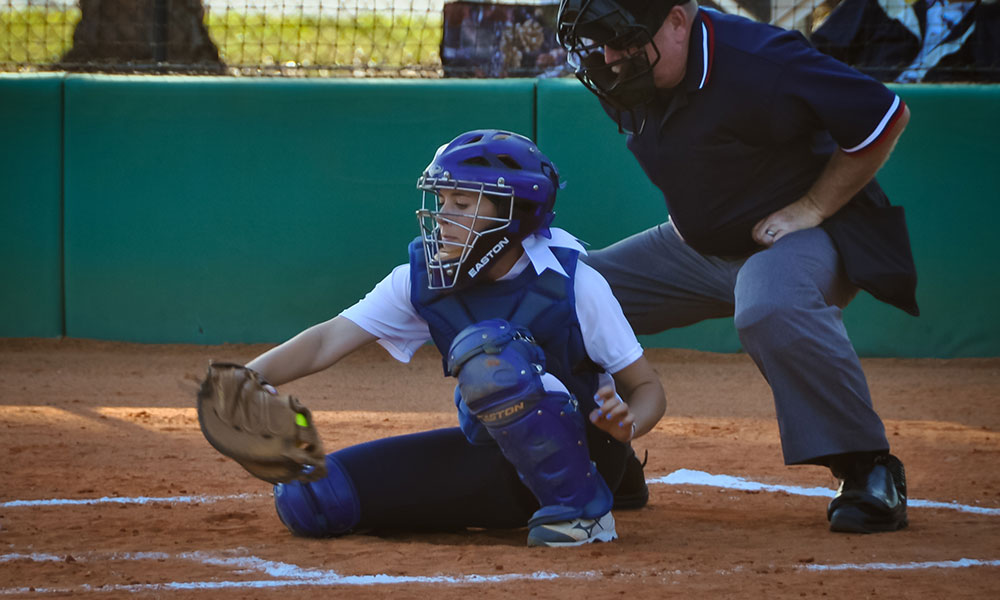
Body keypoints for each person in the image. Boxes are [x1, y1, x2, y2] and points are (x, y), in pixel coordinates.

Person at [555, 0, 917, 534]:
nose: (611, 56)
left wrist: (812, 208)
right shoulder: (627, 72)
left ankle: (867, 467)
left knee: (769, 304)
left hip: (806, 239)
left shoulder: (761, 59)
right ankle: (608, 459)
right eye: (601, 41)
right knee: (564, 296)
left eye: (624, 38)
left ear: (678, 20)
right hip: (696, 247)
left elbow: (884, 115)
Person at [237, 129, 666, 547]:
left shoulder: (574, 284)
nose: (442, 216)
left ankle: (583, 511)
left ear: (514, 212)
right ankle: (618, 486)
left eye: (462, 203)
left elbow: (646, 388)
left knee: (492, 358)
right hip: (494, 453)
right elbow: (328, 339)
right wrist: (245, 379)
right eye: (441, 201)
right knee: (312, 500)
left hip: (589, 449)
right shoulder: (425, 278)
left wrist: (629, 424)